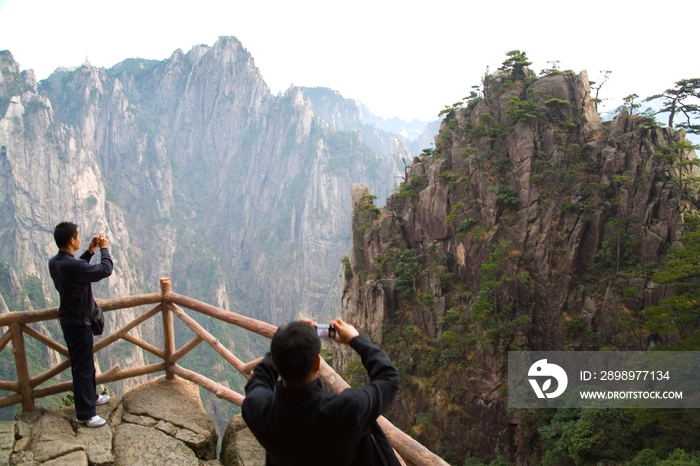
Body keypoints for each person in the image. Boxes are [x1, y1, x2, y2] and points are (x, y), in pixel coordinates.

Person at [242, 317, 401, 466]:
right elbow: (389, 378)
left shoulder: (257, 411)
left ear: (274, 363)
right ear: (317, 363)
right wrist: (355, 339)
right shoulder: (347, 410)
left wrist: (285, 342)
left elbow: (259, 380)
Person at [48, 222, 113, 428]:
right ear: (71, 240)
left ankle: (91, 397)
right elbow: (106, 270)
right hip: (79, 322)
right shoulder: (73, 266)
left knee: (84, 363)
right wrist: (104, 249)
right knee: (83, 367)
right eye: (77, 236)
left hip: (69, 320)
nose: (79, 238)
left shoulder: (55, 262)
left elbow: (77, 270)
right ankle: (85, 414)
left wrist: (89, 251)